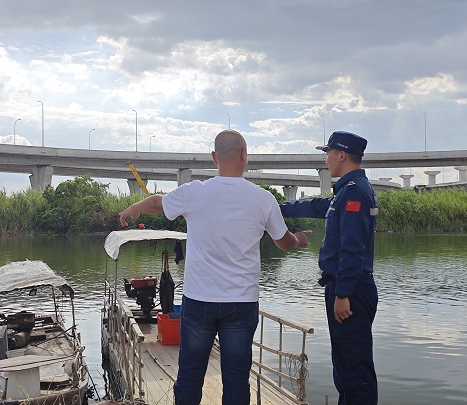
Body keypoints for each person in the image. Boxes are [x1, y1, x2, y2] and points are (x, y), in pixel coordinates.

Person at [119, 129, 310, 405]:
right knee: (236, 379)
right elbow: (283, 242)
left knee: (190, 374)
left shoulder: (195, 192)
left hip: (199, 301)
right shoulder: (263, 199)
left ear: (213, 157)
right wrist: (299, 240)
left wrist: (133, 208)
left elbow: (157, 202)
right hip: (241, 303)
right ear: (244, 155)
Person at [280, 131, 378, 405]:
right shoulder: (346, 192)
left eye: (328, 154)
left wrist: (343, 293)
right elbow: (314, 206)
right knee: (346, 367)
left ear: (341, 155)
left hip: (351, 290)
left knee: (354, 371)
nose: (326, 160)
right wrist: (276, 208)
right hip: (346, 286)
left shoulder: (354, 193)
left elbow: (352, 247)